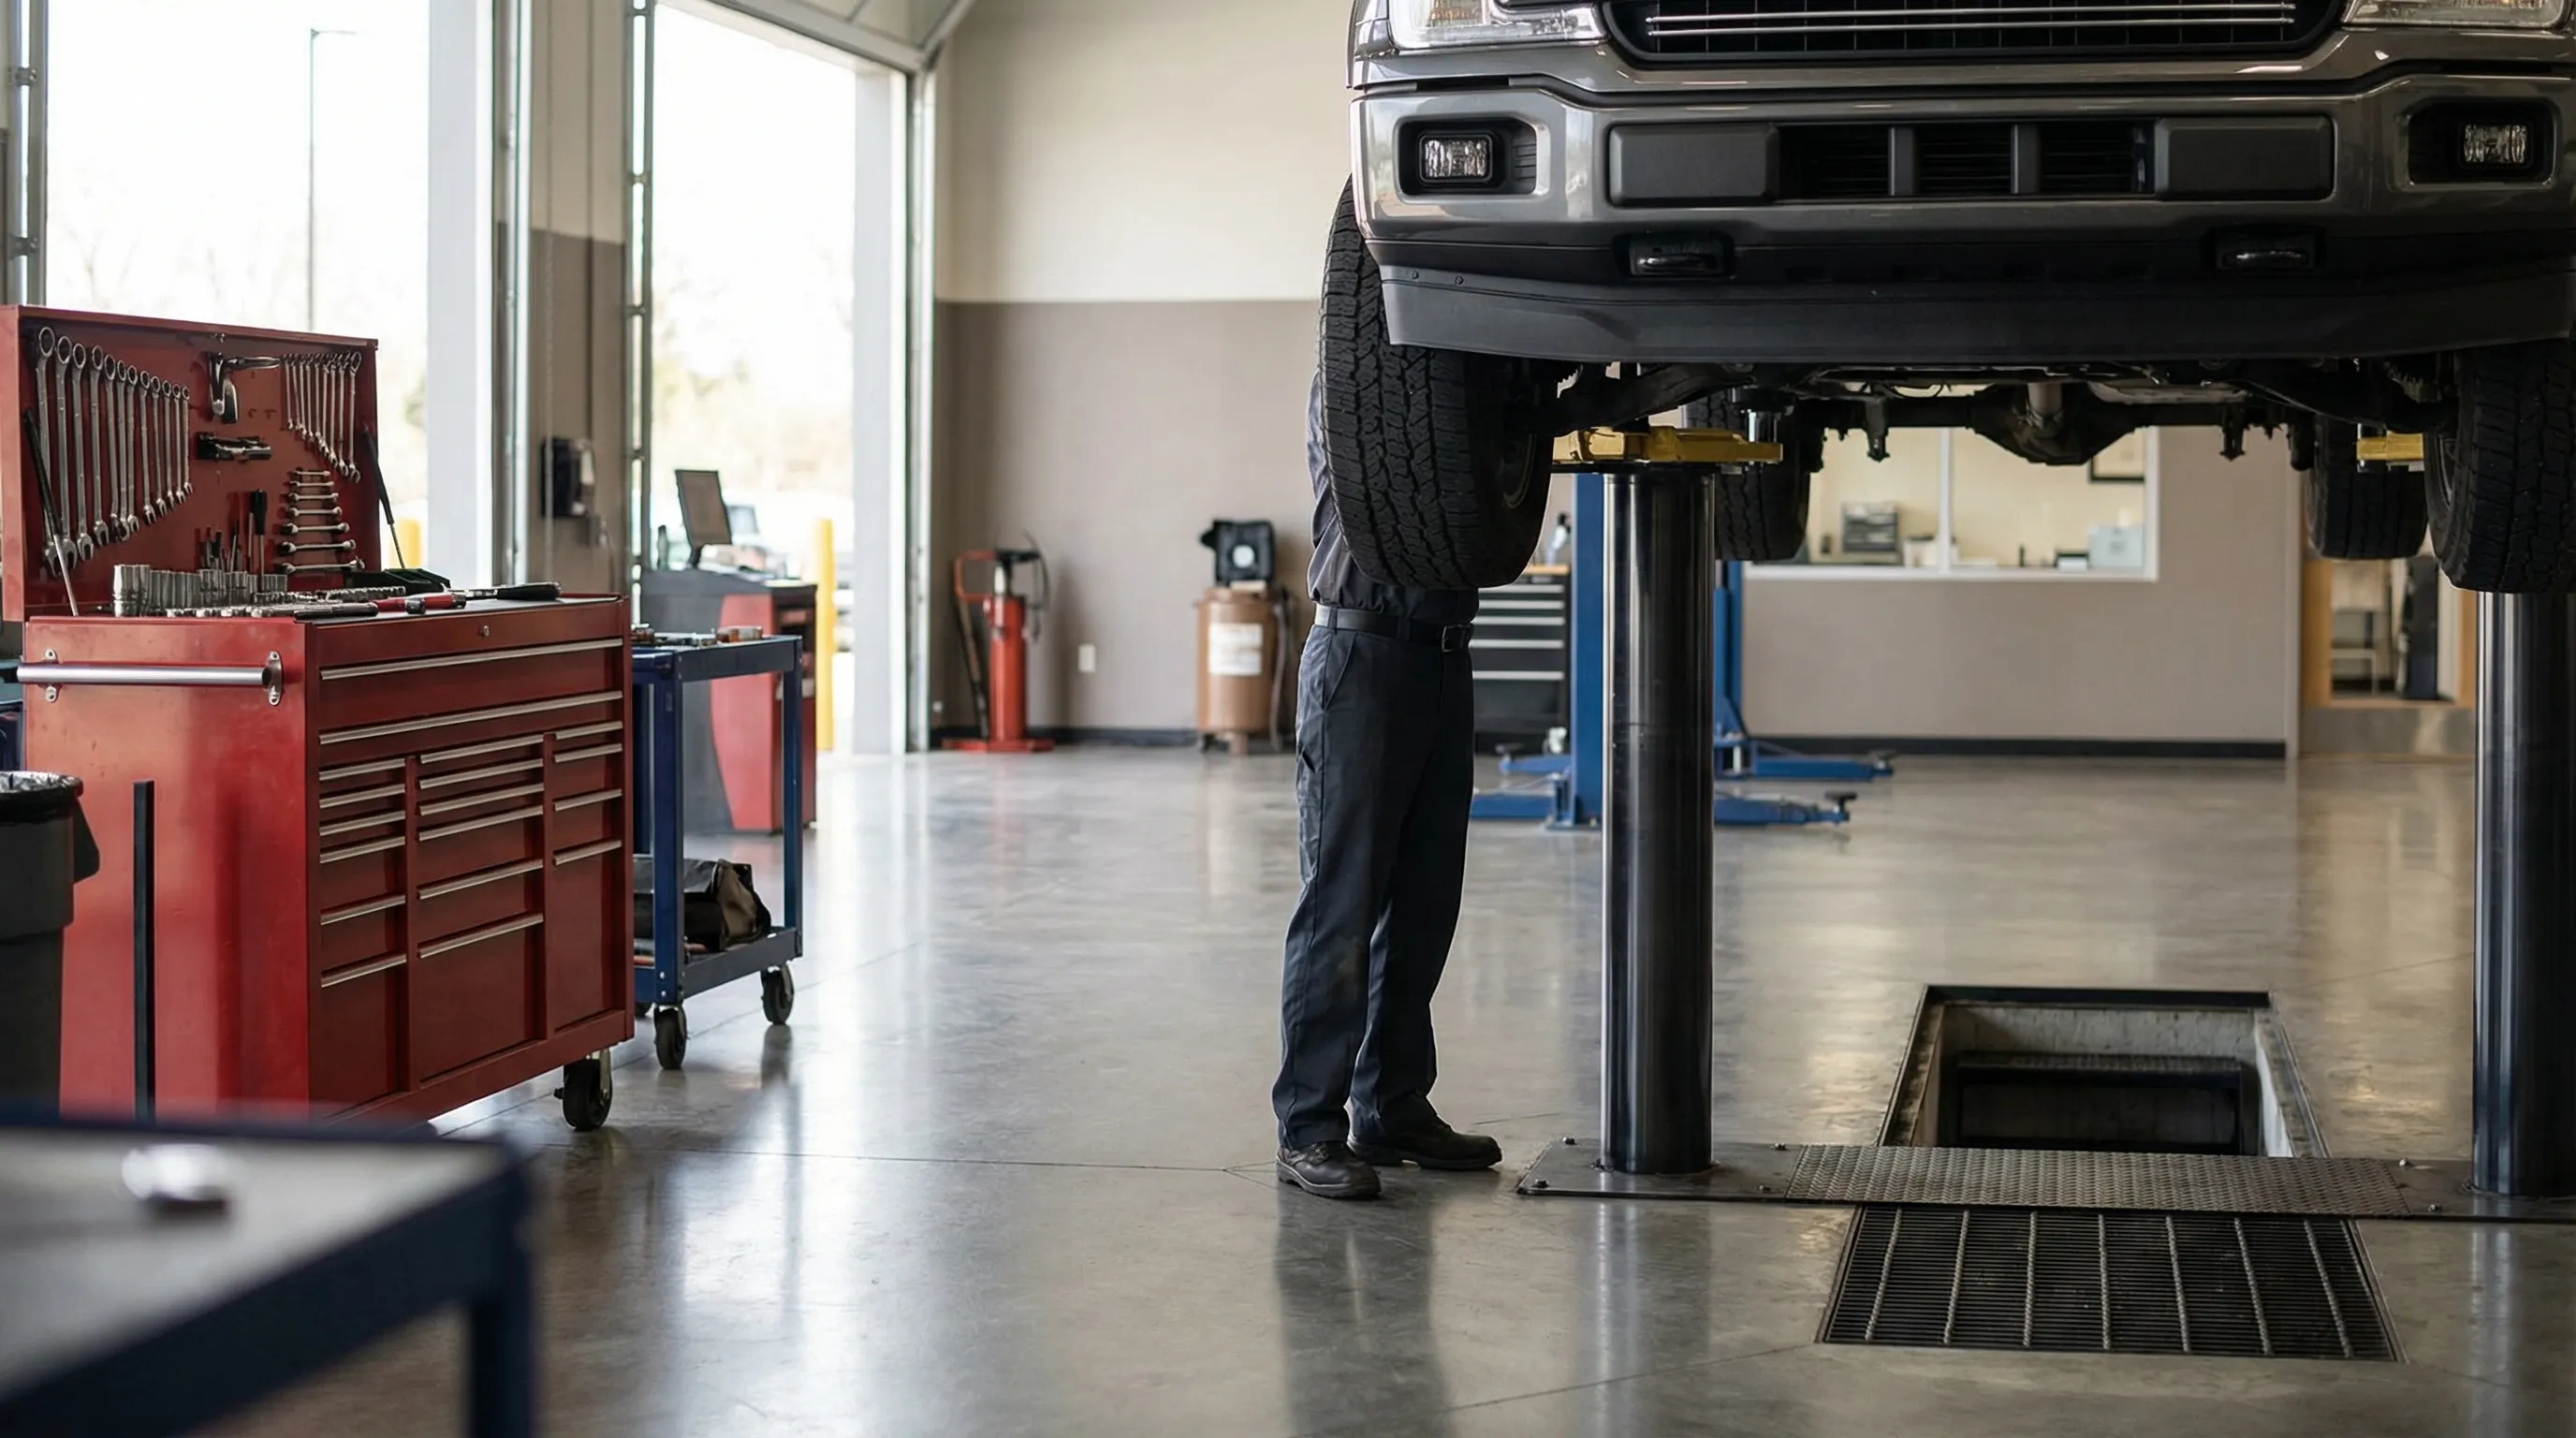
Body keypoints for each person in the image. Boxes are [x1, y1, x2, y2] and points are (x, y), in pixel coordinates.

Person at [1273, 373, 1503, 1199]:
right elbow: (1414, 458)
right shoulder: (1357, 383)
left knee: (1424, 904)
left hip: (1443, 659)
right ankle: (1308, 1128)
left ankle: (1392, 1105)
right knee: (1342, 902)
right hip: (1360, 657)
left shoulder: (1464, 394)